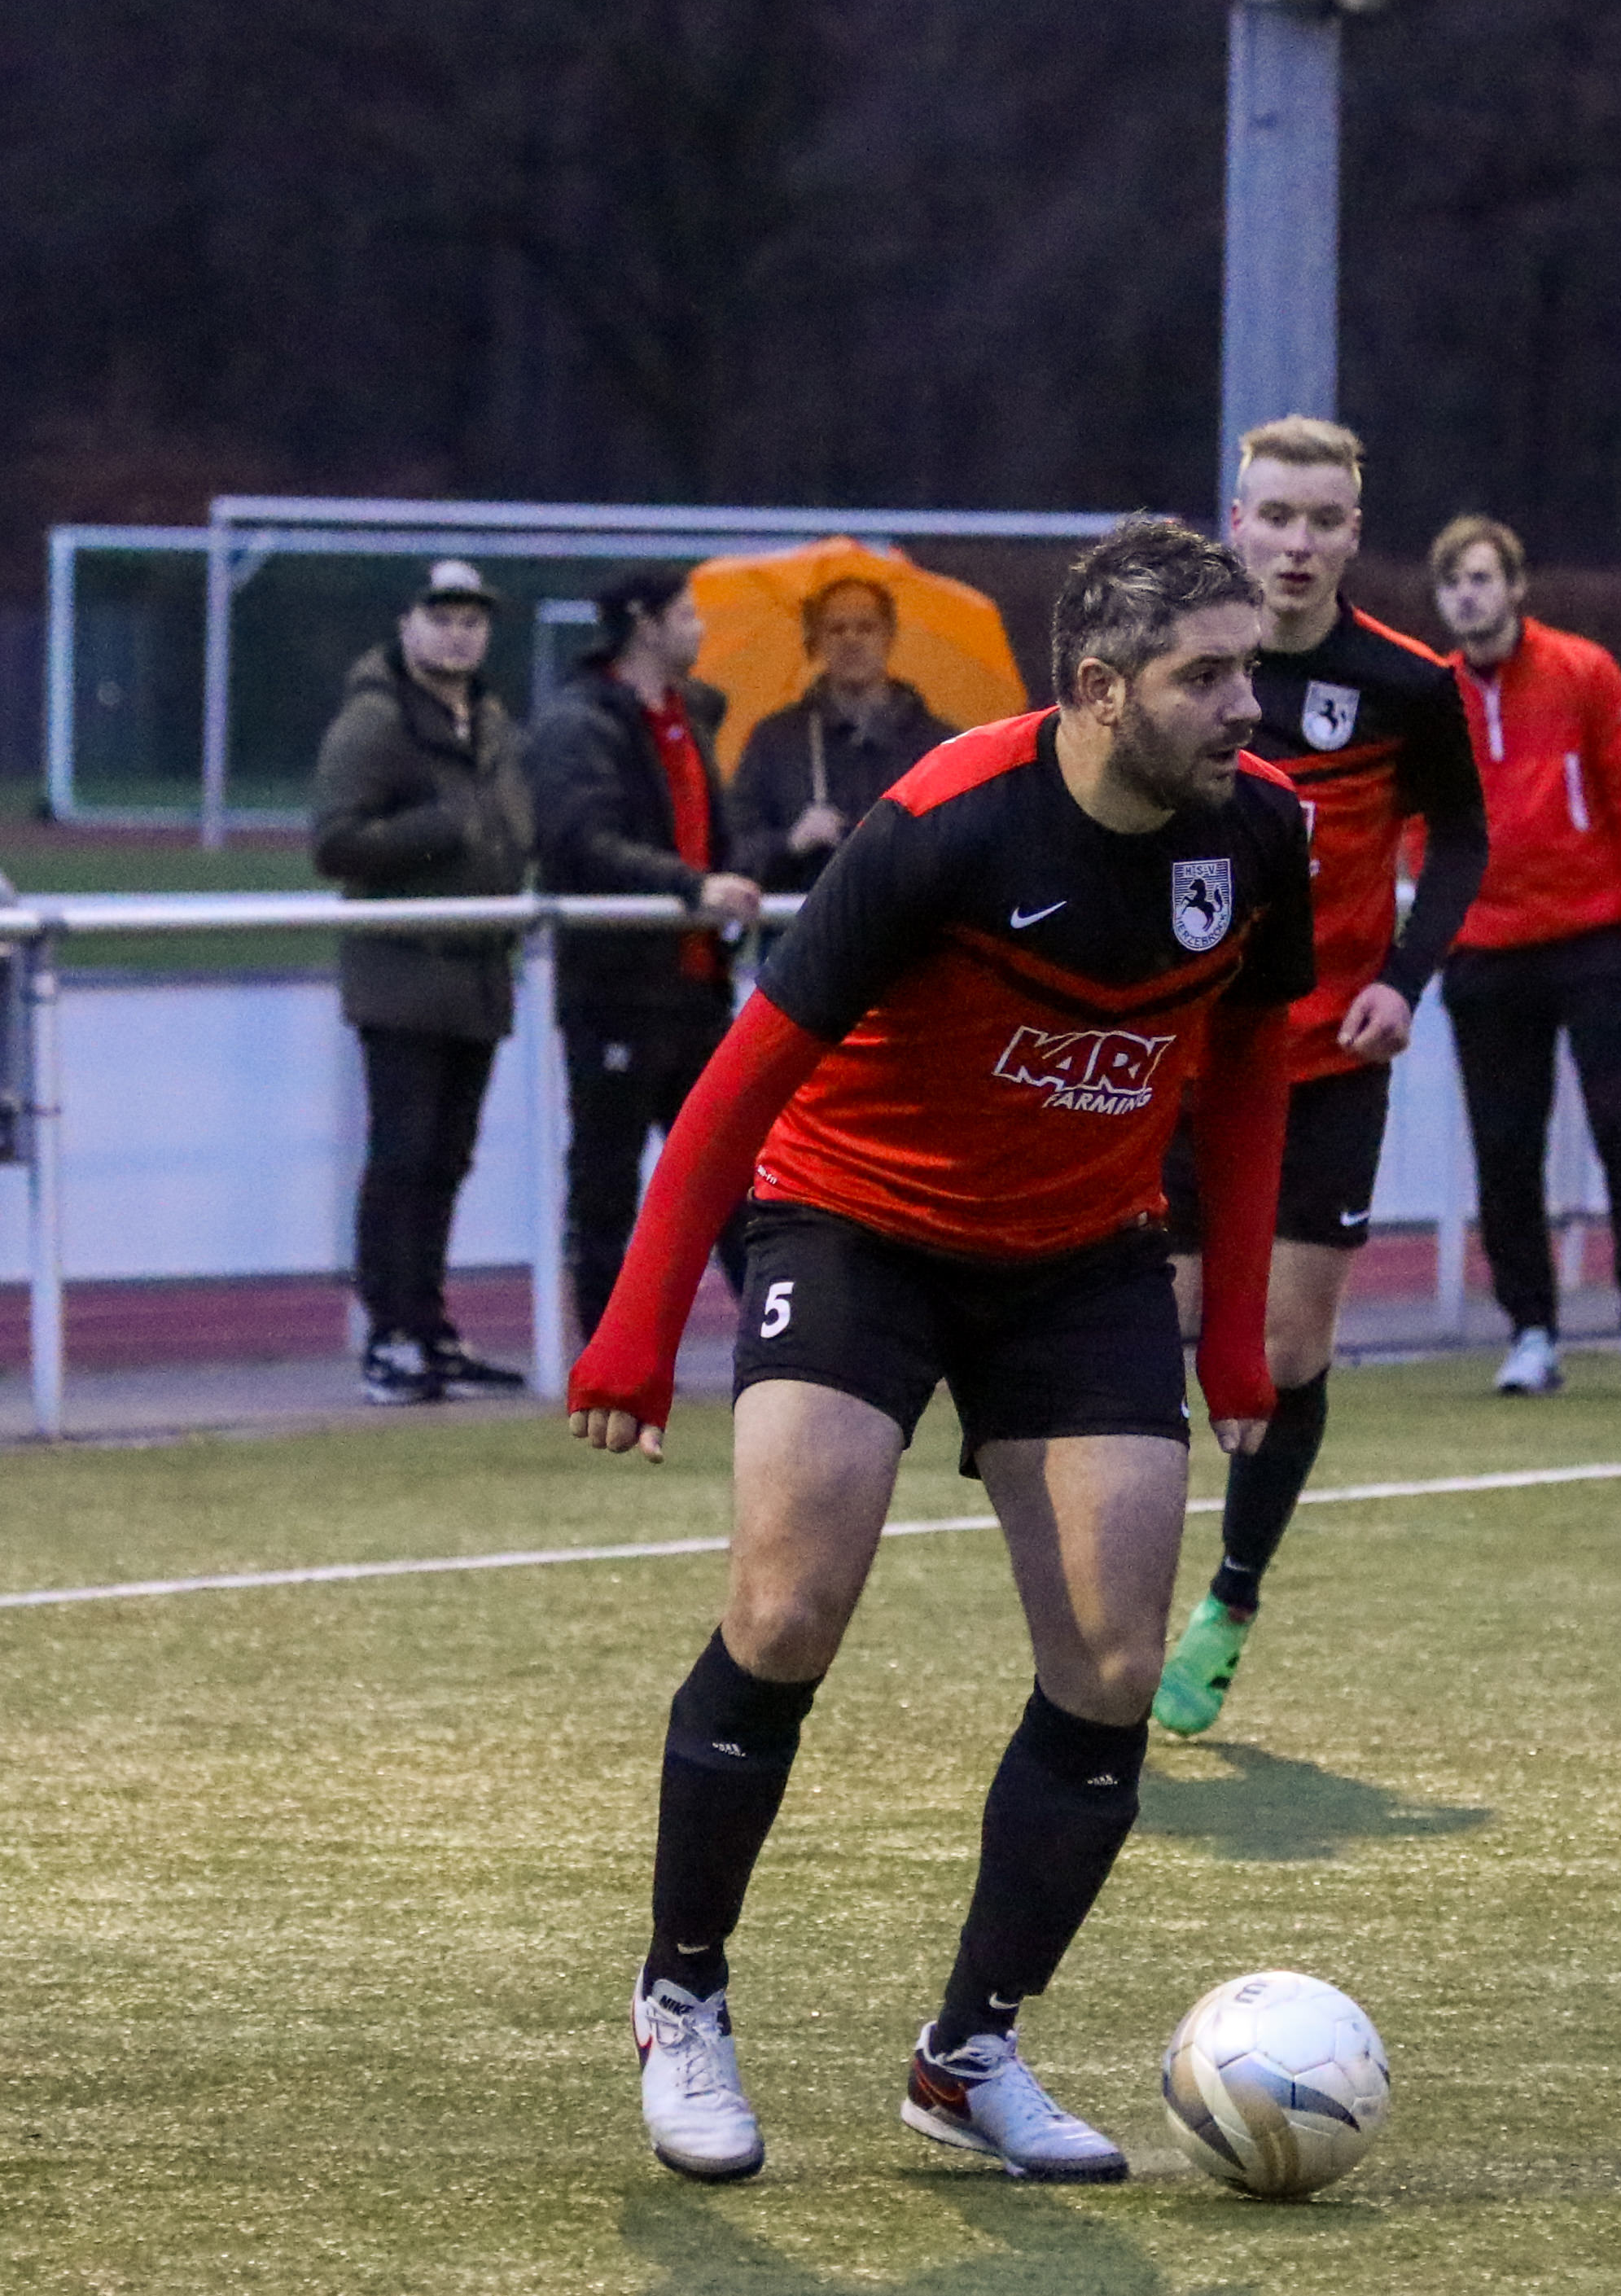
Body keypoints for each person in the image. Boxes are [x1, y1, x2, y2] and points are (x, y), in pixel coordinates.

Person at [563, 516, 1312, 2186]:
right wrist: (635, 1331)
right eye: (1206, 676)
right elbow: (737, 1086)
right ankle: (681, 1996)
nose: (1246, 706)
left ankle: (968, 2054)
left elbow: (1253, 1070)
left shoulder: (1263, 832)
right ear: (1101, 689)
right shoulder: (943, 821)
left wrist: (1237, 1335)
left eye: (1250, 669)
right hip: (856, 1224)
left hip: (1081, 1258)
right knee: (785, 1610)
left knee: (1112, 1664)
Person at [1148, 427, 1486, 1741]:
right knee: (1149, 1337)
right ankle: (1113, 1600)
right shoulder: (1174, 665)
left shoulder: (1405, 683)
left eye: (1322, 520)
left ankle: (1229, 1597)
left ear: (1355, 533)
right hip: (1178, 1058)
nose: (1296, 543)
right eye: (1275, 515)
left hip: (1326, 1061)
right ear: (1233, 520)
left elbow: (1461, 838)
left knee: (1287, 1353)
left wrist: (1403, 976)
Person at [1417, 510, 1621, 1407]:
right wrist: (1445, 922)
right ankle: (1530, 1330)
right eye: (1453, 582)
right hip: (1487, 949)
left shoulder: (1583, 670)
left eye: (1481, 578)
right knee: (1504, 1147)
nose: (1467, 596)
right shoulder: (1433, 695)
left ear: (1516, 587)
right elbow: (1418, 813)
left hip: (1595, 938)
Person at [310, 559, 536, 1405]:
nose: (458, 634)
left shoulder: (490, 719)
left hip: (475, 973)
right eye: (441, 618)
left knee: (445, 1159)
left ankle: (428, 1324)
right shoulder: (375, 720)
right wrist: (443, 828)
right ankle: (390, 1333)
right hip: (403, 971)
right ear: (406, 625)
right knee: (403, 1157)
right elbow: (333, 841)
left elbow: (509, 823)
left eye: (472, 621)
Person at [529, 567, 766, 1340]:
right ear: (643, 622)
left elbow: (706, 835)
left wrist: (734, 874)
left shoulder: (691, 715)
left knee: (732, 1177)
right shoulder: (579, 724)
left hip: (696, 986)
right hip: (618, 988)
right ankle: (606, 1354)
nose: (701, 629)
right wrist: (692, 886)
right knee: (607, 1179)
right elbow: (579, 842)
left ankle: (779, 1344)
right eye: (687, 614)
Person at [726, 575, 954, 891]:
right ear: (816, 640)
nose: (851, 639)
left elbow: (966, 847)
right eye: (836, 629)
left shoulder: (937, 746)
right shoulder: (776, 740)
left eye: (866, 627)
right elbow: (735, 851)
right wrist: (791, 843)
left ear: (889, 635)